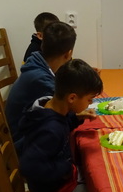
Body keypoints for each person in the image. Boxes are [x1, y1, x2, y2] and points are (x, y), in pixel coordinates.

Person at [18, 58, 103, 192]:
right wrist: (65, 168)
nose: (89, 104)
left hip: (60, 182)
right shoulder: (50, 129)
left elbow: (60, 125)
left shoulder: (48, 106)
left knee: (98, 175)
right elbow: (28, 167)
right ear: (72, 98)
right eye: (89, 99)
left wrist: (76, 118)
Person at [6, 21, 76, 149]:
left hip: (23, 134)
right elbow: (70, 106)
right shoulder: (40, 79)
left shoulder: (37, 62)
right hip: (24, 145)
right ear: (68, 54)